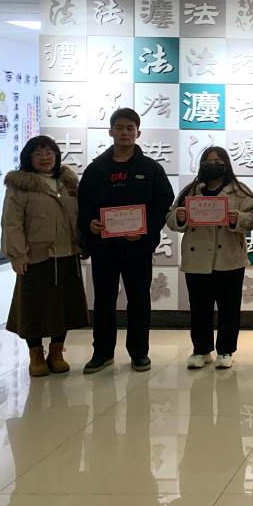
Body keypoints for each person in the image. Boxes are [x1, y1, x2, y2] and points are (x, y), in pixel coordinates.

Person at [77, 108, 174, 374]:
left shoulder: (151, 169)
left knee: (139, 300)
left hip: (137, 247)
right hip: (104, 247)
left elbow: (163, 203)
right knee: (104, 301)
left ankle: (139, 353)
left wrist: (145, 229)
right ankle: (102, 352)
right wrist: (89, 224)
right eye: (119, 128)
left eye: (130, 128)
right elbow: (83, 205)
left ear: (137, 133)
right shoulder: (96, 168)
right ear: (110, 132)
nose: (124, 133)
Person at [1, 135, 89, 376]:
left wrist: (83, 243)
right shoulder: (20, 185)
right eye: (38, 153)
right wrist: (17, 255)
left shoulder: (68, 182)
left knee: (64, 306)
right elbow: (11, 223)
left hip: (67, 253)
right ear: (29, 157)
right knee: (33, 307)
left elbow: (79, 216)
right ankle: (36, 354)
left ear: (56, 155)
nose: (44, 158)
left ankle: (57, 352)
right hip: (35, 257)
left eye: (49, 152)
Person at [168, 146, 253, 370]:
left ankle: (226, 350)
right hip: (197, 260)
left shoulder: (240, 191)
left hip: (229, 258)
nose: (213, 165)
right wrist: (179, 216)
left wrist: (238, 218)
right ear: (202, 165)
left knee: (229, 308)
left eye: (218, 161)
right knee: (199, 308)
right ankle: (201, 350)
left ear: (226, 164)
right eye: (208, 161)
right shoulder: (190, 191)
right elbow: (170, 217)